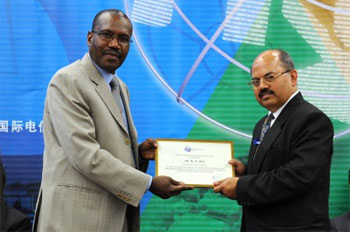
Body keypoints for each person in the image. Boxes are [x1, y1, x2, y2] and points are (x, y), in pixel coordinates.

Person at [33, 9, 193, 232]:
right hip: (74, 220)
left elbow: (106, 144)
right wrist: (148, 183)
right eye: (107, 35)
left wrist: (137, 154)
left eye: (123, 39)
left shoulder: (120, 87)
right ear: (90, 37)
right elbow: (85, 155)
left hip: (113, 217)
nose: (115, 44)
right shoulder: (68, 80)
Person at [213, 49, 334, 231]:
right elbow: (273, 170)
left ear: (293, 77)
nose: (262, 86)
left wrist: (242, 186)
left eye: (269, 77)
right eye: (256, 81)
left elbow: (298, 176)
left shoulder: (312, 119)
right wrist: (244, 174)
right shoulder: (263, 123)